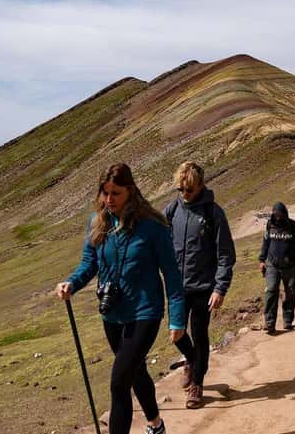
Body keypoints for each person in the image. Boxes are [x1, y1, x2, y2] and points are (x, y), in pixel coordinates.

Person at [55, 163, 184, 434]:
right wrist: (72, 283)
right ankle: (156, 424)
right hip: (112, 314)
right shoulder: (98, 222)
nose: (109, 200)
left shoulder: (153, 227)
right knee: (135, 372)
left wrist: (177, 318)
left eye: (115, 193)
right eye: (105, 193)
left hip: (145, 312)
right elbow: (88, 265)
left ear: (131, 191)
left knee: (118, 383)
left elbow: (171, 275)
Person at [164, 161, 236, 409]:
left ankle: (197, 384)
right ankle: (192, 361)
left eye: (189, 190)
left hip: (204, 288)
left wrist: (220, 288)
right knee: (176, 333)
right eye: (181, 190)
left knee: (200, 333)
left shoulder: (214, 213)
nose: (185, 195)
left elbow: (225, 253)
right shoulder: (173, 209)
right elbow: (159, 239)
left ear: (201, 186)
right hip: (176, 287)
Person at [258, 202, 295, 334]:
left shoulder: (294, 227)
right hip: (272, 264)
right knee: (271, 291)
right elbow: (265, 242)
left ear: (285, 214)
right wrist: (262, 260)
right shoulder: (269, 225)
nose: (277, 217)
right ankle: (269, 322)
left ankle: (287, 319)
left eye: (280, 214)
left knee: (290, 292)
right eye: (275, 214)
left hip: (290, 266)